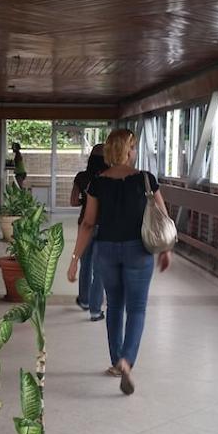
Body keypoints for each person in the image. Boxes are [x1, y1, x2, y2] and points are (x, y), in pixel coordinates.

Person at [67, 129, 172, 395]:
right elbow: (161, 215)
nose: (135, 152)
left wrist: (74, 259)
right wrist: (166, 249)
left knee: (114, 304)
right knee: (136, 308)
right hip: (139, 251)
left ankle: (115, 363)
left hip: (107, 250)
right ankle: (127, 360)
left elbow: (88, 223)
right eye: (133, 147)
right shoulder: (145, 179)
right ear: (127, 150)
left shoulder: (97, 182)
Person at [70, 144, 107, 321]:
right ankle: (95, 309)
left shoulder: (82, 177)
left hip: (85, 224)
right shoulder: (110, 178)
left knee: (86, 264)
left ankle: (84, 300)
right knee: (99, 268)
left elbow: (73, 202)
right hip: (105, 226)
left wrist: (86, 202)